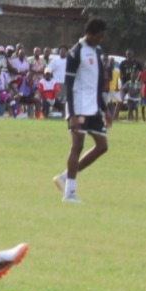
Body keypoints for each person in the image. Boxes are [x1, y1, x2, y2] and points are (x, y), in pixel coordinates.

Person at [50, 18, 110, 203]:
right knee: (77, 146)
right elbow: (68, 85)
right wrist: (73, 114)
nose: (101, 40)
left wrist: (104, 108)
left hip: (93, 106)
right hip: (79, 107)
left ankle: (64, 176)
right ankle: (70, 193)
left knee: (102, 146)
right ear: (90, 34)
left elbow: (98, 83)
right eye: (99, 36)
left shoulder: (97, 51)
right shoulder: (76, 52)